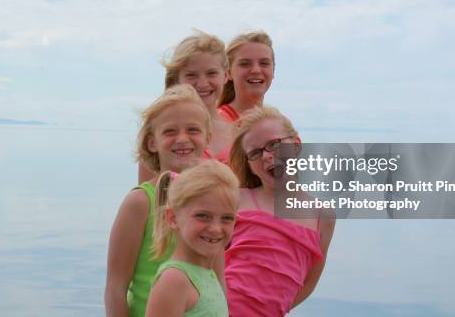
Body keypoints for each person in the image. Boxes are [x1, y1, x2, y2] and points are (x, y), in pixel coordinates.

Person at [105, 85, 211, 317]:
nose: (182, 139)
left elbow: (217, 282)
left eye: (193, 129)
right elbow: (115, 287)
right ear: (152, 143)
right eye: (170, 131)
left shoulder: (212, 201)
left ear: (207, 137)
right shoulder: (140, 202)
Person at [225, 106, 335, 316]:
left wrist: (272, 307)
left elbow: (309, 282)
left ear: (296, 145)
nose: (267, 156)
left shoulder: (323, 216)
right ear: (249, 165)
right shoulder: (237, 199)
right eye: (255, 153)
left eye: (274, 144)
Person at [146, 160, 239, 316]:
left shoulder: (207, 273)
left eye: (227, 218)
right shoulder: (174, 280)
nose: (216, 229)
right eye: (202, 216)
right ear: (173, 218)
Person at [138, 31, 232, 184]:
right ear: (176, 79)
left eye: (211, 73)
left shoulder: (243, 130)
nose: (202, 83)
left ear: (226, 75)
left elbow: (281, 195)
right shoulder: (161, 134)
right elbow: (150, 199)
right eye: (191, 75)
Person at [216, 31, 275, 123]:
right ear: (228, 73)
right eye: (245, 64)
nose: (256, 70)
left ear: (273, 71)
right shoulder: (215, 123)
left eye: (264, 63)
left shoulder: (279, 125)